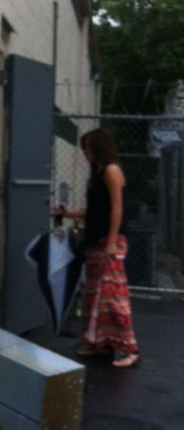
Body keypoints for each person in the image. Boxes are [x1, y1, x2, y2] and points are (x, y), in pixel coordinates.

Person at [55, 128, 140, 368]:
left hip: (109, 243)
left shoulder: (112, 171)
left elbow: (117, 208)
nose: (85, 154)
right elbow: (94, 214)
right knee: (94, 296)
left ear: (98, 148)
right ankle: (101, 343)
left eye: (88, 149)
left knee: (113, 296)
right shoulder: (96, 175)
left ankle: (129, 349)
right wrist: (68, 213)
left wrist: (111, 242)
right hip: (95, 242)